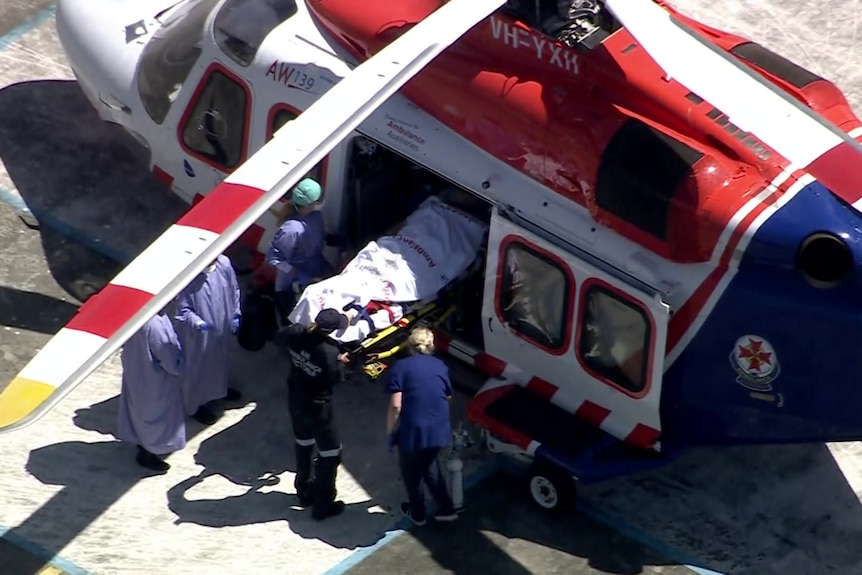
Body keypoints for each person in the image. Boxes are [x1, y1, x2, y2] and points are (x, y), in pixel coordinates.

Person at [276, 308, 351, 520]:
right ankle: (323, 505)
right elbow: (336, 379)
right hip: (319, 410)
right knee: (330, 455)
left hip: (296, 401)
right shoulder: (330, 353)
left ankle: (303, 490)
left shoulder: (296, 333)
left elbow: (279, 338)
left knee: (303, 445)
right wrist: (342, 363)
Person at [385, 327, 459, 526]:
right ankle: (446, 508)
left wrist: (391, 431)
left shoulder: (401, 367)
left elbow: (395, 405)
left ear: (409, 346)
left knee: (411, 473)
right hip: (438, 428)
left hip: (413, 431)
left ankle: (417, 512)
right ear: (431, 345)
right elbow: (448, 396)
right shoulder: (440, 366)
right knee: (430, 466)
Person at [175, 254, 242, 425]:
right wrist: (198, 323)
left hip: (223, 327)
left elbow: (234, 290)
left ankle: (219, 391)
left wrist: (235, 313)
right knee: (198, 368)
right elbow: (183, 310)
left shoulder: (223, 264)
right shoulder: (190, 276)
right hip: (200, 335)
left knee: (220, 361)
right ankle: (194, 406)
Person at [117, 310, 186, 473]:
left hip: (136, 371)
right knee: (154, 415)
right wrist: (179, 366)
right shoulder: (155, 325)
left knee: (139, 411)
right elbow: (167, 356)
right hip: (155, 379)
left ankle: (144, 446)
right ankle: (148, 452)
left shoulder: (135, 316)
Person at [262, 178, 331, 325]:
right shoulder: (291, 230)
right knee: (291, 320)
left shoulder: (316, 216)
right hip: (291, 283)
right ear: (310, 204)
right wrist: (294, 272)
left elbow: (318, 237)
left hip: (315, 269)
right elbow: (273, 256)